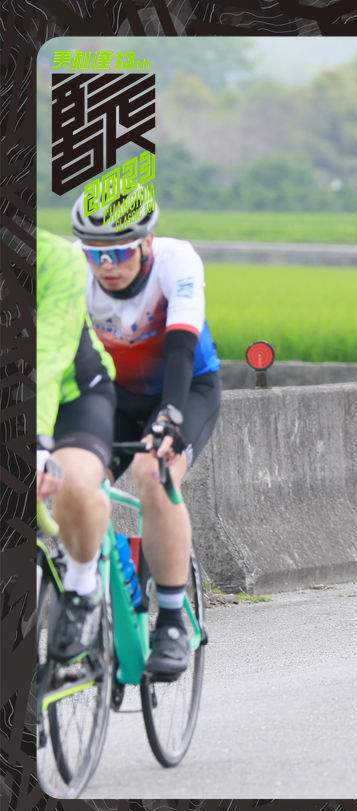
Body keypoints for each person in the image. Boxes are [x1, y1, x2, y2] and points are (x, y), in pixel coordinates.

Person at [73, 187, 222, 680]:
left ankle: (174, 619)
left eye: (118, 253)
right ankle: (107, 572)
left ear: (147, 242)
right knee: (73, 479)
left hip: (185, 388)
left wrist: (170, 417)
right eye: (94, 253)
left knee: (152, 472)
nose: (106, 266)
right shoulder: (72, 271)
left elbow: (181, 348)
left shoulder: (177, 262)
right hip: (113, 394)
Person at [36, 228, 117, 666]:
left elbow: (44, 358)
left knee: (75, 485)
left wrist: (37, 444)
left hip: (73, 397)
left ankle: (83, 587)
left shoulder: (56, 261)